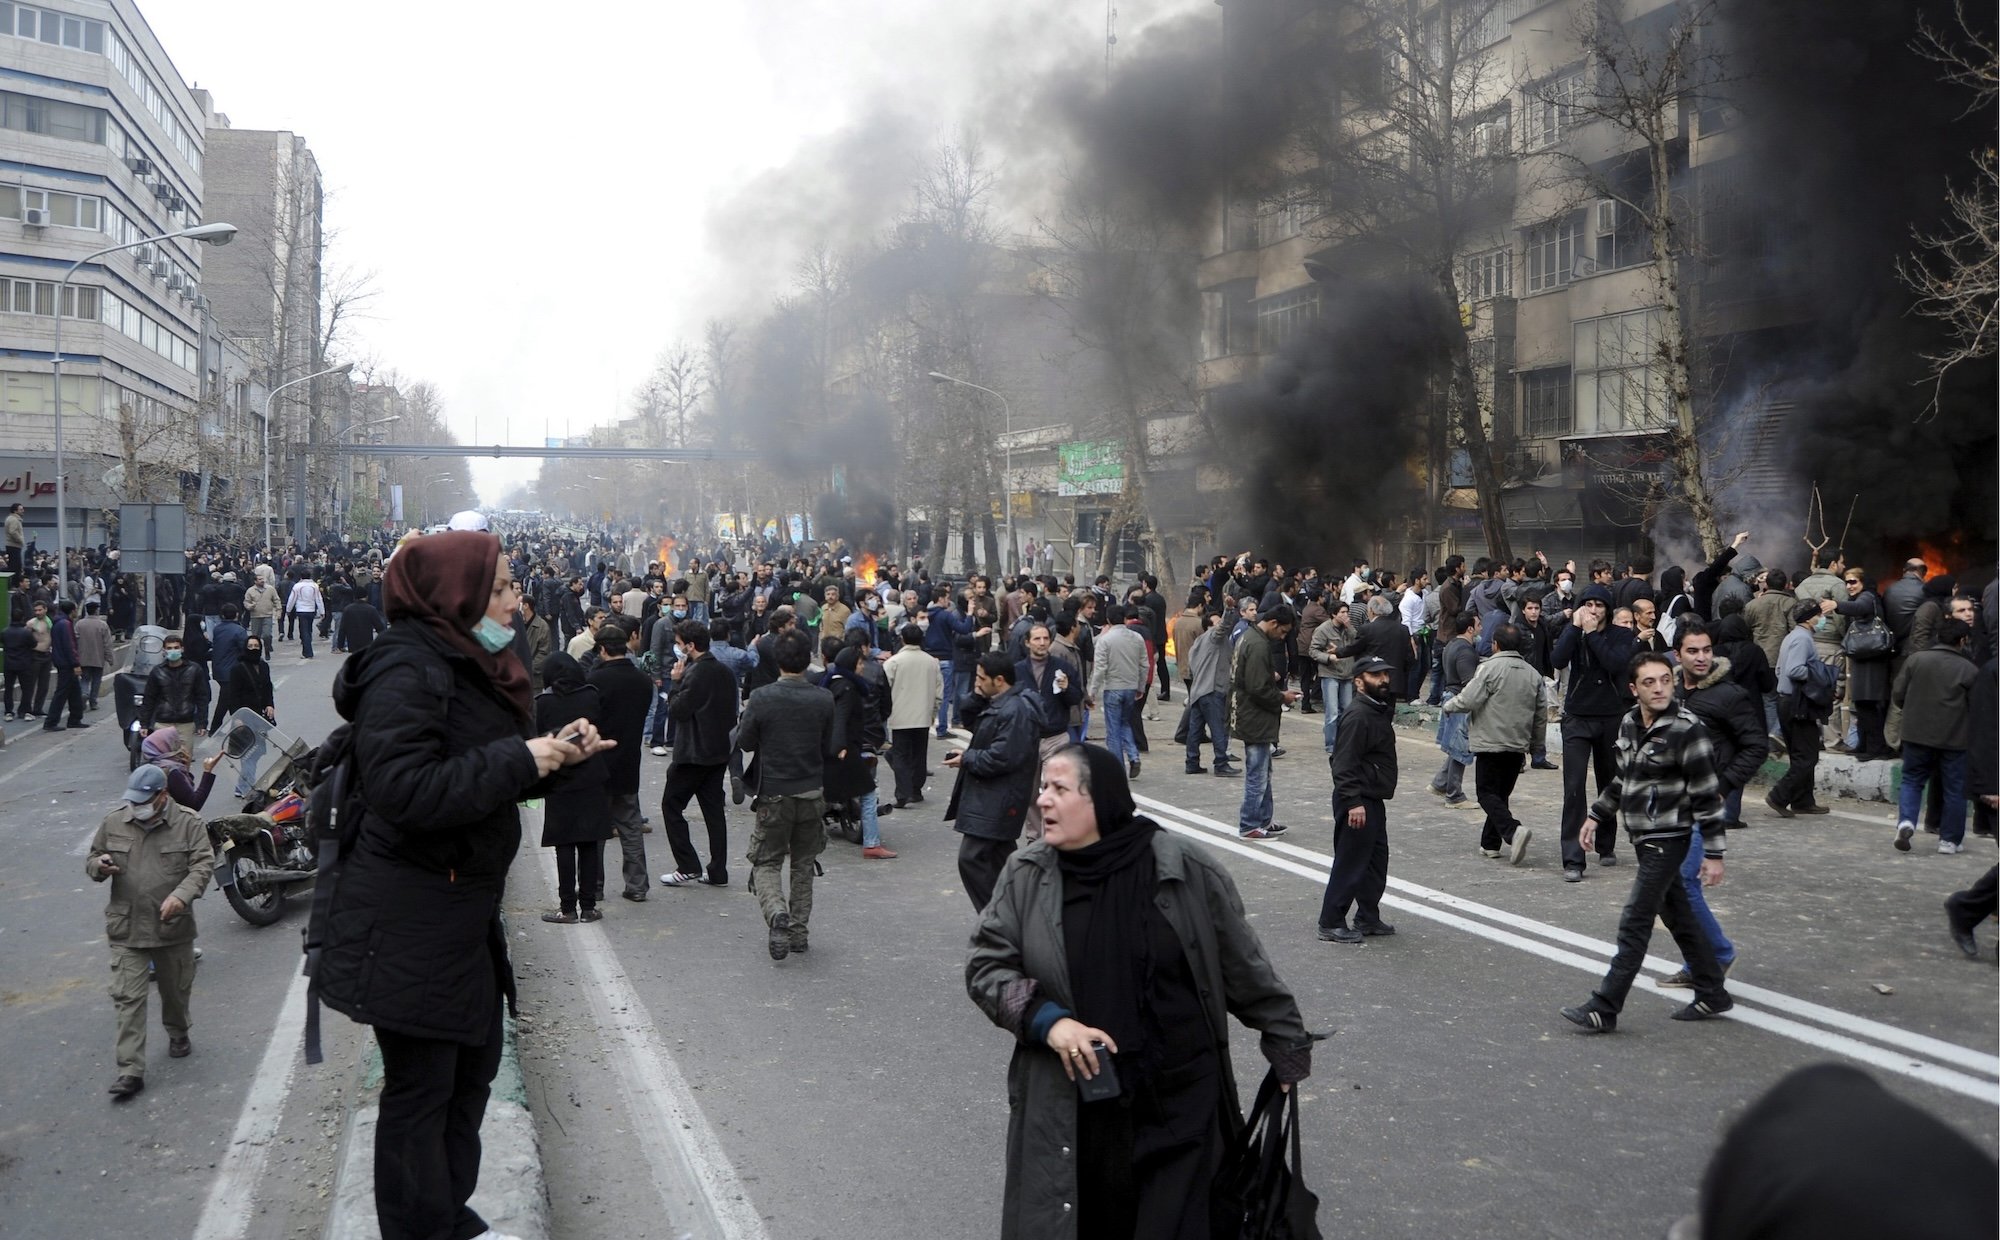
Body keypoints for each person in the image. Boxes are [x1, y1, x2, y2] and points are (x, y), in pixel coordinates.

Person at [315, 529, 609, 1240]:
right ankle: (423, 1228)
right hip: (410, 912)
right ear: (460, 595)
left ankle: (445, 1216)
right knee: (422, 1094)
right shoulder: (408, 670)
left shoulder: (467, 659)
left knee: (472, 1070)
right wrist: (522, 759)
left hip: (455, 909)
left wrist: (554, 757)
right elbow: (405, 789)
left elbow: (473, 767)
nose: (516, 599)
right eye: (503, 586)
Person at [965, 743, 1314, 1239]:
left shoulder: (1183, 867)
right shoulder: (1028, 875)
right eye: (1042, 787)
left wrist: (1286, 1042)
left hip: (1180, 1100)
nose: (1042, 800)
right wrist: (1050, 1022)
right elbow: (986, 966)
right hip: (1078, 1106)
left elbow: (1243, 964)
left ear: (1100, 799)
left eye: (1059, 789)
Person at [1561, 652, 1733, 1033]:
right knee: (1678, 915)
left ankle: (1605, 1007)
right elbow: (1624, 780)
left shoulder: (1688, 729)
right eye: (1649, 682)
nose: (1659, 688)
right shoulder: (1628, 723)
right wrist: (1595, 816)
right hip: (1642, 835)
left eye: (1665, 680)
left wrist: (1715, 853)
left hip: (1670, 836)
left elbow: (1707, 794)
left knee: (1636, 920)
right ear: (1633, 689)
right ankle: (1712, 991)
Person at [86, 764, 214, 1100]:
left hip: (172, 927)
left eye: (144, 800)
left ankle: (178, 1031)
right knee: (128, 998)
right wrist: (99, 866)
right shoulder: (114, 822)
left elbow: (203, 865)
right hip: (126, 927)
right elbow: (93, 857)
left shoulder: (189, 823)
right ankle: (130, 1070)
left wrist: (180, 896)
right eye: (133, 800)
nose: (136, 807)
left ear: (163, 796)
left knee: (175, 991)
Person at [1660, 620, 1766, 986]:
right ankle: (1699, 961)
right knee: (1669, 886)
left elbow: (1757, 746)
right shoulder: (1669, 690)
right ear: (1678, 654)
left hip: (1702, 804)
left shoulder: (1729, 695)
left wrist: (1722, 786)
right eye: (1693, 651)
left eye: (1707, 650)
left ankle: (1717, 955)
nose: (1702, 657)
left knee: (1684, 881)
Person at [735, 627, 837, 960]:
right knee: (804, 865)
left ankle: (776, 911)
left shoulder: (762, 697)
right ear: (808, 659)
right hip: (811, 791)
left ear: (776, 659)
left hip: (774, 794)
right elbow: (827, 746)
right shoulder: (823, 698)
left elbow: (746, 742)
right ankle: (798, 934)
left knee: (767, 861)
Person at [1551, 584, 1638, 882]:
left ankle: (1606, 843)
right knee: (1573, 787)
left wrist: (1593, 635)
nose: (1593, 610)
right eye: (1587, 604)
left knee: (1609, 780)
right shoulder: (1574, 631)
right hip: (1577, 717)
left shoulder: (1622, 636)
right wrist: (1575, 630)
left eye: (1599, 605)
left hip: (1610, 716)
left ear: (1608, 609)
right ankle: (1573, 858)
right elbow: (1558, 660)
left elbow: (1616, 664)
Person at [1442, 623, 1546, 864]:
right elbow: (1540, 715)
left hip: (1490, 742)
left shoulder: (1489, 668)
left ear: (1495, 645)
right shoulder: (1533, 674)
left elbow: (1469, 698)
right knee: (1500, 794)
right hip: (1517, 744)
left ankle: (1512, 830)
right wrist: (1536, 746)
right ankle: (1490, 844)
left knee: (1486, 793)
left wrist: (1448, 706)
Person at [946, 652, 1042, 910]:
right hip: (992, 796)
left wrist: (968, 758)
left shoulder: (1016, 710)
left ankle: (997, 921)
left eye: (981, 678)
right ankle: (1023, 916)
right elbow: (971, 723)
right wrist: (977, 695)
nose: (976, 682)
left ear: (999, 680)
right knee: (1002, 862)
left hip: (999, 798)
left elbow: (1002, 757)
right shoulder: (998, 702)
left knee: (972, 858)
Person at [1317, 657, 1401, 942]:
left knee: (1376, 862)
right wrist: (1353, 801)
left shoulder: (1376, 710)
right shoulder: (1358, 715)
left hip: (1372, 798)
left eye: (1385, 674)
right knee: (1351, 862)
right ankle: (1331, 921)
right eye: (1375, 675)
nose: (1384, 680)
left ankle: (1367, 917)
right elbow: (1342, 764)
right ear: (1358, 682)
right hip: (1357, 800)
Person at [535, 652, 611, 923]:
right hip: (591, 776)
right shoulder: (590, 695)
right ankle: (588, 907)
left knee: (563, 843)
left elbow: (538, 736)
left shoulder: (543, 703)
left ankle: (567, 907)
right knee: (589, 841)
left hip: (560, 779)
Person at [1892, 617, 1978, 854]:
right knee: (1955, 788)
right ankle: (1949, 840)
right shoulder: (1969, 670)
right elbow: (1977, 707)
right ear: (1963, 641)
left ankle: (1906, 821)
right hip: (1955, 738)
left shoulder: (1915, 660)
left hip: (1915, 733)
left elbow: (1898, 694)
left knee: (1912, 780)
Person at [588, 621, 654, 901]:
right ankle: (637, 886)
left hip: (599, 761)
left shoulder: (595, 680)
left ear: (602, 649)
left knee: (596, 829)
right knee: (630, 825)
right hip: (629, 759)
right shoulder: (642, 680)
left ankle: (594, 886)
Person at [1767, 602, 1834, 818]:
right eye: (1819, 615)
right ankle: (1779, 796)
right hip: (1797, 703)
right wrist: (1819, 675)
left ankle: (1803, 801)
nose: (1822, 619)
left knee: (1800, 754)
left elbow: (1779, 669)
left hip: (1788, 700)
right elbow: (1794, 669)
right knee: (1807, 756)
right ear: (1809, 618)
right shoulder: (1802, 639)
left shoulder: (1792, 637)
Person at [1088, 605, 1152, 779]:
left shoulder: (1105, 640)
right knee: (1125, 723)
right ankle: (1133, 755)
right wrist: (1141, 686)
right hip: (1130, 687)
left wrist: (1092, 692)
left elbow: (1100, 669)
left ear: (1108, 620)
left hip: (1113, 688)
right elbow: (1144, 664)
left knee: (1113, 730)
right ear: (1125, 618)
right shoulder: (1137, 638)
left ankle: (1117, 768)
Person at [884, 622, 943, 808]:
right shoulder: (932, 662)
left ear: (902, 639)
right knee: (919, 754)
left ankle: (902, 793)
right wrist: (933, 712)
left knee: (900, 754)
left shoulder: (892, 663)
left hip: (899, 716)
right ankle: (916, 790)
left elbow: (884, 690)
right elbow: (939, 692)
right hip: (923, 716)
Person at [1429, 611, 1481, 805]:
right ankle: (1454, 794)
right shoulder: (1465, 651)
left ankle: (1440, 782)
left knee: (1455, 747)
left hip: (1451, 697)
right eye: (1478, 624)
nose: (1481, 628)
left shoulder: (1451, 645)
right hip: (1460, 700)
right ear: (1470, 628)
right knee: (1461, 749)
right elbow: (1469, 683)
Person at [216, 635, 277, 800]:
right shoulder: (238, 668)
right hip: (243, 718)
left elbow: (267, 688)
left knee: (256, 753)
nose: (253, 649)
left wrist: (270, 705)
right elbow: (233, 694)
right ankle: (247, 787)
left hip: (259, 718)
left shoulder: (263, 666)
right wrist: (237, 716)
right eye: (250, 646)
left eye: (256, 645)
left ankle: (242, 786)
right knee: (247, 753)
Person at [1182, 613, 1237, 776]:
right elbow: (1224, 626)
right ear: (1209, 626)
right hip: (1212, 690)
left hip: (1198, 691)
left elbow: (1191, 670)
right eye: (1217, 622)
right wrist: (1229, 608)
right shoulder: (1214, 637)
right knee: (1218, 727)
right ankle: (1221, 763)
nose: (1221, 624)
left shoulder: (1196, 644)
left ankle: (1192, 762)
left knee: (1195, 730)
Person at [1308, 599, 1359, 756]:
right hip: (1330, 673)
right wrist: (1328, 658)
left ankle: (1345, 742)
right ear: (1333, 614)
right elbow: (1313, 650)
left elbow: (1357, 642)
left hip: (1347, 673)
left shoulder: (1349, 629)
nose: (1345, 615)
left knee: (1347, 710)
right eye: (1342, 612)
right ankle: (1331, 744)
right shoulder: (1323, 630)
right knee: (1332, 712)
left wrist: (1349, 627)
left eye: (1347, 612)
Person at [140, 633, 210, 739]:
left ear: (182, 649)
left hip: (186, 724)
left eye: (176, 648)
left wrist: (202, 723)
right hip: (162, 724)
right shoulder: (157, 672)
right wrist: (144, 724)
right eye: (169, 648)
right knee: (163, 755)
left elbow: (202, 698)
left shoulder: (194, 670)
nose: (173, 651)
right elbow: (149, 698)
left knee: (184, 755)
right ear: (164, 650)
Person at [41, 598, 88, 730]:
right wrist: (75, 663)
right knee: (61, 693)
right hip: (66, 663)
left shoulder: (59, 623)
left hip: (62, 661)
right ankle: (51, 722)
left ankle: (75, 719)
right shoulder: (65, 624)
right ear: (72, 610)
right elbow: (69, 646)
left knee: (75, 692)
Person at [75, 599, 113, 712]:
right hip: (98, 657)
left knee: (85, 679)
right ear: (96, 611)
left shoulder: (79, 624)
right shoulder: (102, 625)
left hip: (83, 657)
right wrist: (110, 658)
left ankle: (84, 693)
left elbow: (74, 640)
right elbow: (107, 643)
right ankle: (93, 701)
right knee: (96, 680)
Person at [288, 573, 324, 659]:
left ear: (301, 577)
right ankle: (307, 650)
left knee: (304, 631)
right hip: (311, 610)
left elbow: (292, 598)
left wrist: (288, 609)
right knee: (308, 630)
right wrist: (322, 611)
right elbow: (319, 599)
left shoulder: (297, 586)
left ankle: (308, 652)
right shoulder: (314, 586)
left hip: (301, 610)